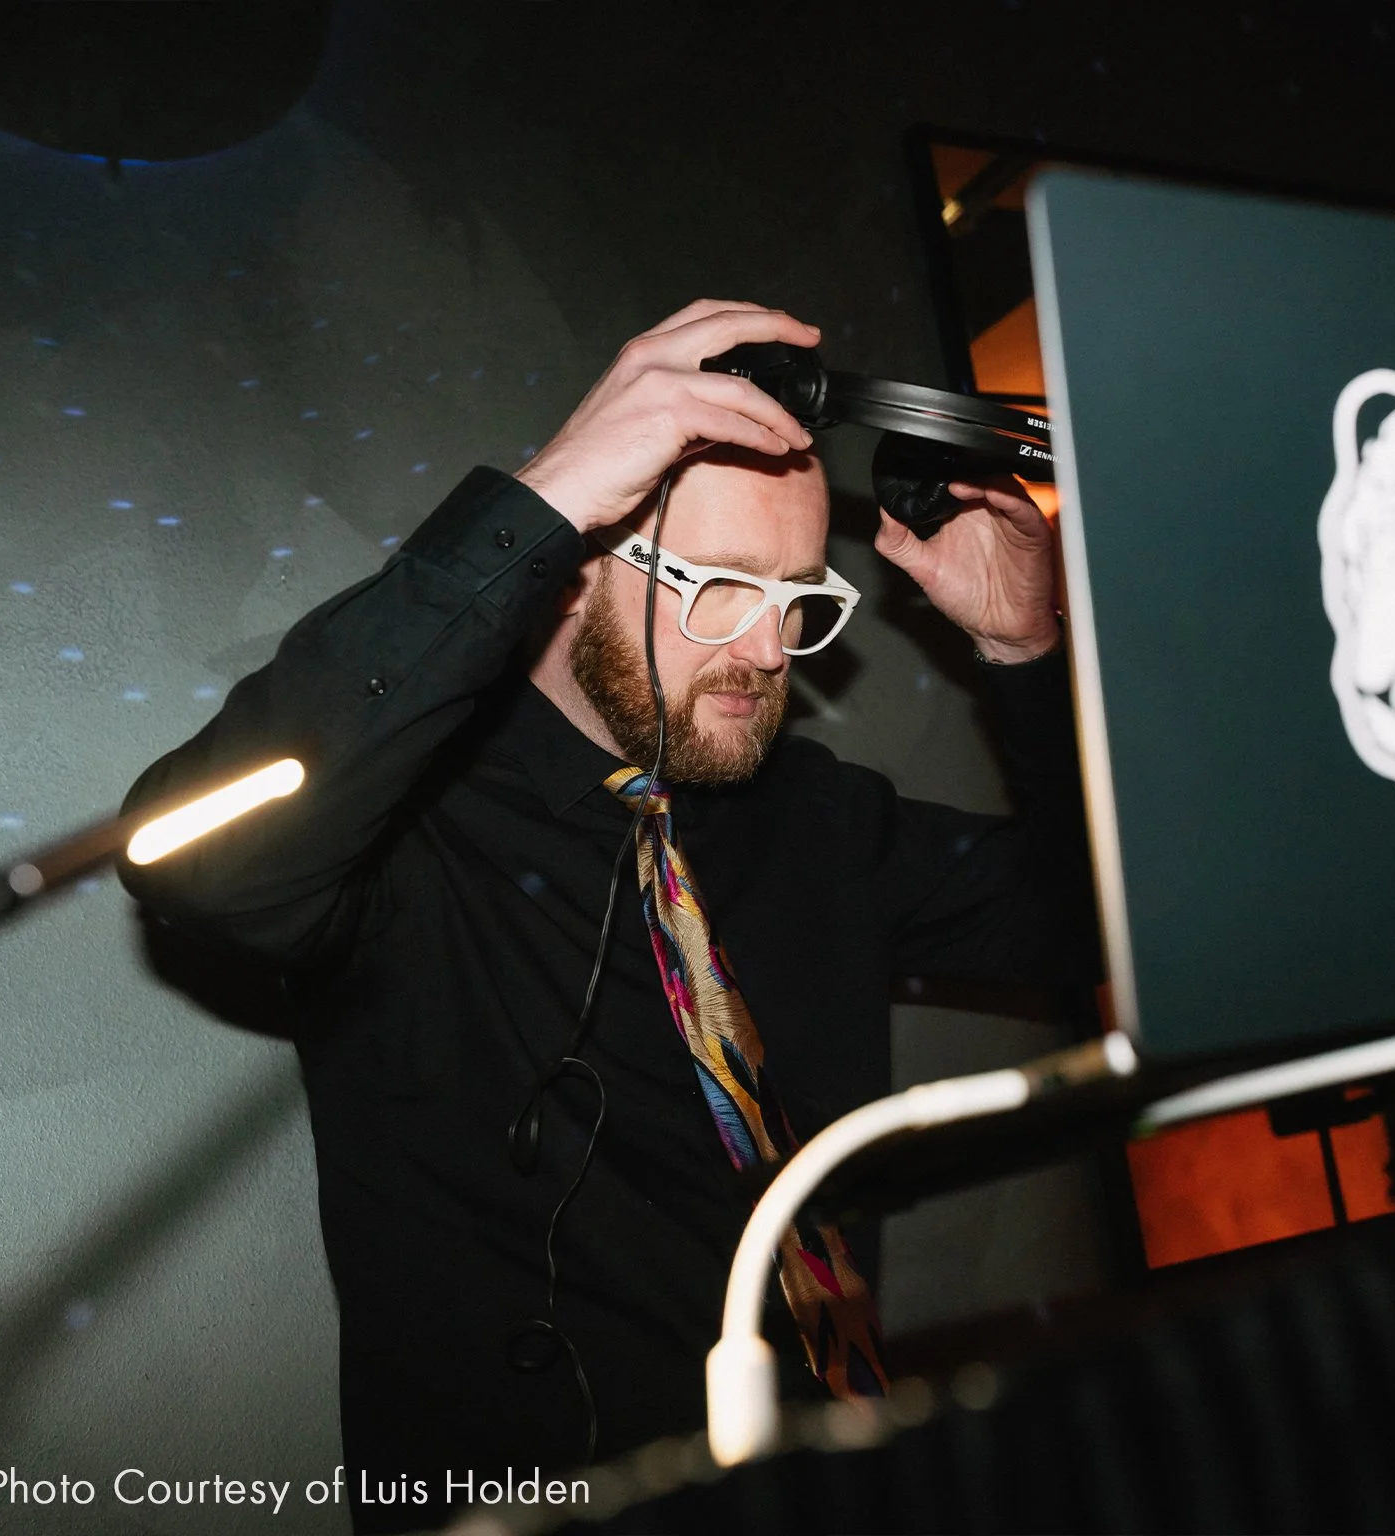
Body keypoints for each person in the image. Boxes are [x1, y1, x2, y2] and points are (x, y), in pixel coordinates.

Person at [116, 298, 1098, 1532]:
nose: (764, 647)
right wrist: (544, 491)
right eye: (714, 585)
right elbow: (193, 864)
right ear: (573, 571)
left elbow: (1099, 928)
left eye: (795, 596)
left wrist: (1026, 655)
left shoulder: (818, 821)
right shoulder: (399, 823)